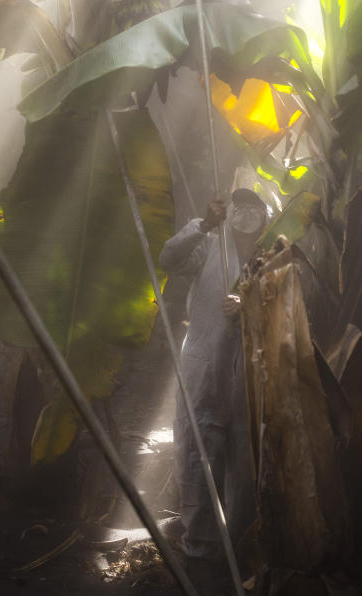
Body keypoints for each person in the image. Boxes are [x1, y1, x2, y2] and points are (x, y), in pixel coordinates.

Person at [160, 187, 269, 575]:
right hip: (203, 361)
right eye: (240, 207)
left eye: (254, 208)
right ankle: (200, 545)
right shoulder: (209, 246)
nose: (246, 215)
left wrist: (249, 305)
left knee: (244, 453)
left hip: (250, 370)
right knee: (197, 448)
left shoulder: (272, 257)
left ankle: (238, 543)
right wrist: (204, 224)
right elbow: (168, 258)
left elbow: (291, 309)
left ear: (266, 215)